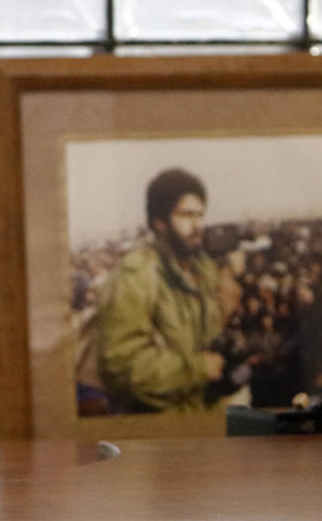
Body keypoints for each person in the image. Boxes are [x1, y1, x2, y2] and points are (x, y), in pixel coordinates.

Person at [95, 167, 238, 412]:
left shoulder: (203, 269)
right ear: (159, 222)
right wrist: (198, 368)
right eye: (186, 215)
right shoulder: (135, 277)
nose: (198, 225)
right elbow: (120, 368)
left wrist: (226, 306)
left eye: (200, 214)